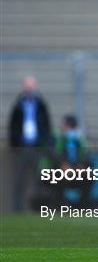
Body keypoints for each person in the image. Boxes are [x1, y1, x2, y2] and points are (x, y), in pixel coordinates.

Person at [8, 76, 52, 212]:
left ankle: (40, 208)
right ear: (24, 88)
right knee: (19, 180)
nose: (29, 89)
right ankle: (17, 208)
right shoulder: (18, 105)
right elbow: (12, 125)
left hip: (37, 146)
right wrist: (15, 141)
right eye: (27, 86)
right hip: (22, 146)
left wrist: (45, 142)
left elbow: (46, 125)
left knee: (39, 178)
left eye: (31, 86)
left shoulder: (41, 105)